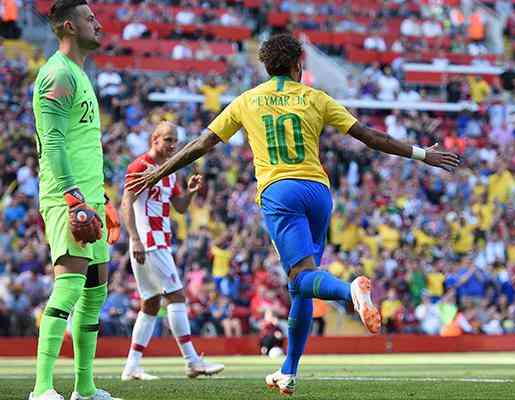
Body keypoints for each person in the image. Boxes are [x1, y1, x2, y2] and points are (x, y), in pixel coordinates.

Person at [126, 33, 461, 396]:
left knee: (302, 279)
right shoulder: (315, 98)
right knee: (300, 284)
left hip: (279, 192)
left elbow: (201, 144)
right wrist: (422, 155)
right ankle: (289, 370)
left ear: (268, 65)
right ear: (298, 64)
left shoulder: (248, 100)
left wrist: (160, 171)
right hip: (318, 192)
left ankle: (349, 291)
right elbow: (369, 137)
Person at [30, 1, 121, 399]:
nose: (98, 24)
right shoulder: (58, 74)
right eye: (89, 19)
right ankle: (42, 388)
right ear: (69, 26)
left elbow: (81, 144)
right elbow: (51, 141)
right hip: (67, 197)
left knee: (96, 291)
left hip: (89, 197)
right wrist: (73, 196)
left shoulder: (81, 74)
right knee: (68, 287)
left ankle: (84, 387)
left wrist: (99, 196)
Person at [121, 121, 224, 380]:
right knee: (176, 297)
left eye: (175, 140)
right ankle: (192, 361)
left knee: (151, 304)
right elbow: (126, 202)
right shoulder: (140, 167)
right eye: (167, 139)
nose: (172, 145)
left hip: (158, 242)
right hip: (148, 243)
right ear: (154, 140)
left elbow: (178, 206)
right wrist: (134, 239)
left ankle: (131, 366)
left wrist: (190, 193)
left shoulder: (170, 171)